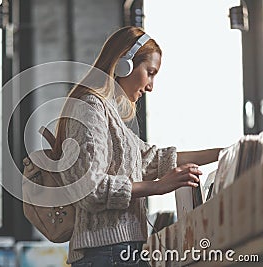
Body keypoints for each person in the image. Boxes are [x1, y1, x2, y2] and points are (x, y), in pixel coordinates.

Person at [52, 26, 222, 266]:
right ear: (125, 64)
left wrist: (223, 153)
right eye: (150, 72)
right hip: (106, 252)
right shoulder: (90, 108)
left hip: (118, 250)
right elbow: (88, 188)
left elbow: (156, 159)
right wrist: (158, 186)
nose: (151, 86)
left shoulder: (111, 117)